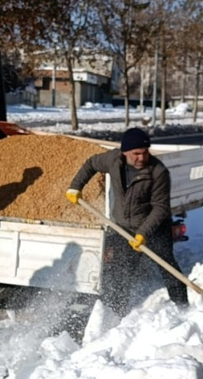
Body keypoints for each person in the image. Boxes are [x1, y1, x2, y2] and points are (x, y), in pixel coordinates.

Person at [66, 127, 189, 314]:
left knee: (167, 266)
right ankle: (116, 311)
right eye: (136, 153)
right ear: (124, 152)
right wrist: (76, 186)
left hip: (153, 227)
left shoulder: (158, 172)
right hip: (124, 228)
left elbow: (161, 208)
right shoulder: (113, 160)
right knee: (121, 271)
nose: (142, 157)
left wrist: (143, 233)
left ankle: (182, 306)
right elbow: (91, 163)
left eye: (145, 152)